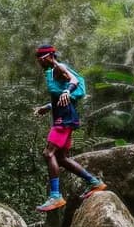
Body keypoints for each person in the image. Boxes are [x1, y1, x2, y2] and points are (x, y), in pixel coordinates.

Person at [32, 44, 105, 211]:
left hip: (63, 120)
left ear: (48, 57)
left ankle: (56, 196)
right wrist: (47, 107)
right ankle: (95, 182)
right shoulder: (51, 72)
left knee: (48, 153)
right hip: (64, 117)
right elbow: (60, 94)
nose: (39, 63)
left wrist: (67, 91)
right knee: (62, 158)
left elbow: (74, 80)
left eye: (40, 60)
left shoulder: (59, 67)